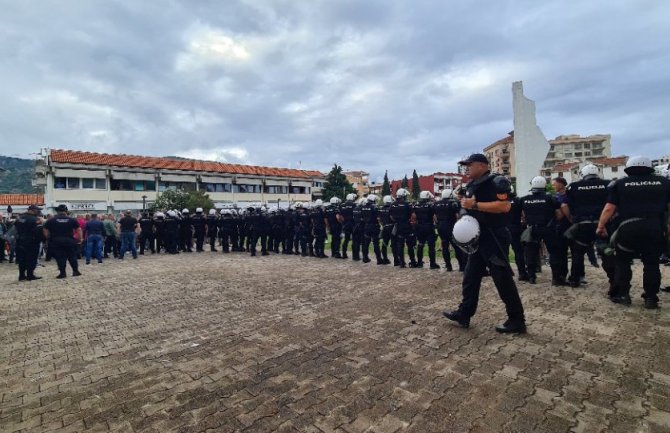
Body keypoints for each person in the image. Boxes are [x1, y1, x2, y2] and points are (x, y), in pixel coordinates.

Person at [443, 153, 526, 333]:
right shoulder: (472, 184)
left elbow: (505, 206)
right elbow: (469, 205)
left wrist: (475, 205)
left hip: (495, 237)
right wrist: (465, 207)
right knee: (470, 277)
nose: (466, 168)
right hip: (478, 238)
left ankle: (517, 320)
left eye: (469, 164)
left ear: (482, 165)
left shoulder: (498, 182)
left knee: (502, 279)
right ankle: (464, 313)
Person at [597, 156, 670, 308]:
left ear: (629, 169)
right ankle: (651, 298)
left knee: (622, 262)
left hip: (627, 229)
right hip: (654, 228)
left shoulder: (620, 184)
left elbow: (609, 208)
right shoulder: (664, 183)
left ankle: (624, 295)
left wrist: (601, 226)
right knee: (651, 263)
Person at [564, 164, 613, 288]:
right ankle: (614, 281)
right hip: (603, 224)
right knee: (607, 253)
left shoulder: (573, 186)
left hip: (582, 224)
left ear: (583, 174)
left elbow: (569, 205)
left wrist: (573, 219)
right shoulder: (608, 184)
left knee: (578, 253)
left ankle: (575, 279)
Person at [519, 176, 562, 285]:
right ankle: (556, 279)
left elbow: (522, 215)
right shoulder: (551, 198)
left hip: (532, 229)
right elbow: (559, 215)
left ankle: (532, 277)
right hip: (548, 229)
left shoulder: (524, 199)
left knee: (531, 253)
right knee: (554, 253)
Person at [43, 204, 81, 279]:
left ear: (57, 211)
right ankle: (75, 271)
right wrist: (79, 239)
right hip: (69, 239)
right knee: (72, 256)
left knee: (60, 257)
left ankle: (62, 273)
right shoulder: (72, 220)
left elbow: (45, 229)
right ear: (66, 211)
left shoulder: (51, 220)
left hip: (56, 240)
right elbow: (78, 230)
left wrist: (47, 237)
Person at [434, 188, 465, 272]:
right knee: (456, 246)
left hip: (441, 226)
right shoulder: (453, 203)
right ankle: (462, 266)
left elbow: (435, 217)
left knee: (444, 246)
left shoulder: (436, 204)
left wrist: (438, 224)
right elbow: (458, 215)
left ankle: (448, 266)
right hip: (451, 225)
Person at [389, 188, 417, 268]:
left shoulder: (393, 204)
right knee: (409, 244)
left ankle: (402, 262)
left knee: (400, 245)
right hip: (406, 225)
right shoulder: (407, 204)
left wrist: (396, 220)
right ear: (403, 196)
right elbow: (413, 215)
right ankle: (412, 261)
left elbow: (391, 216)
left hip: (398, 226)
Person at [15, 204, 43, 281]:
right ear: (33, 210)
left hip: (20, 241)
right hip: (31, 242)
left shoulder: (20, 218)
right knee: (31, 259)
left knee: (22, 259)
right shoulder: (35, 219)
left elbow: (15, 228)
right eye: (37, 210)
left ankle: (21, 276)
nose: (38, 211)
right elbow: (38, 231)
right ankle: (30, 275)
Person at [413, 191, 440, 269]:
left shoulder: (416, 205)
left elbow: (414, 217)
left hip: (420, 227)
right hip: (428, 226)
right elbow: (434, 216)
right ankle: (432, 264)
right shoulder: (430, 205)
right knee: (431, 246)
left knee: (420, 244)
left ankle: (419, 262)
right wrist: (437, 223)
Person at [360, 194, 384, 264]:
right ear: (373, 200)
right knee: (376, 243)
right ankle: (379, 259)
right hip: (374, 227)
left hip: (366, 226)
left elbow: (362, 218)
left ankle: (365, 258)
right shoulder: (375, 207)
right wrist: (381, 225)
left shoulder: (362, 207)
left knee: (366, 243)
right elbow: (378, 218)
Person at [378, 195, 395, 265]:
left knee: (384, 243)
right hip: (392, 227)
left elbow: (379, 219)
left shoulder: (381, 208)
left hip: (385, 227)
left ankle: (385, 259)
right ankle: (397, 260)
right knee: (394, 244)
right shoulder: (392, 208)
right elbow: (392, 218)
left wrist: (383, 225)